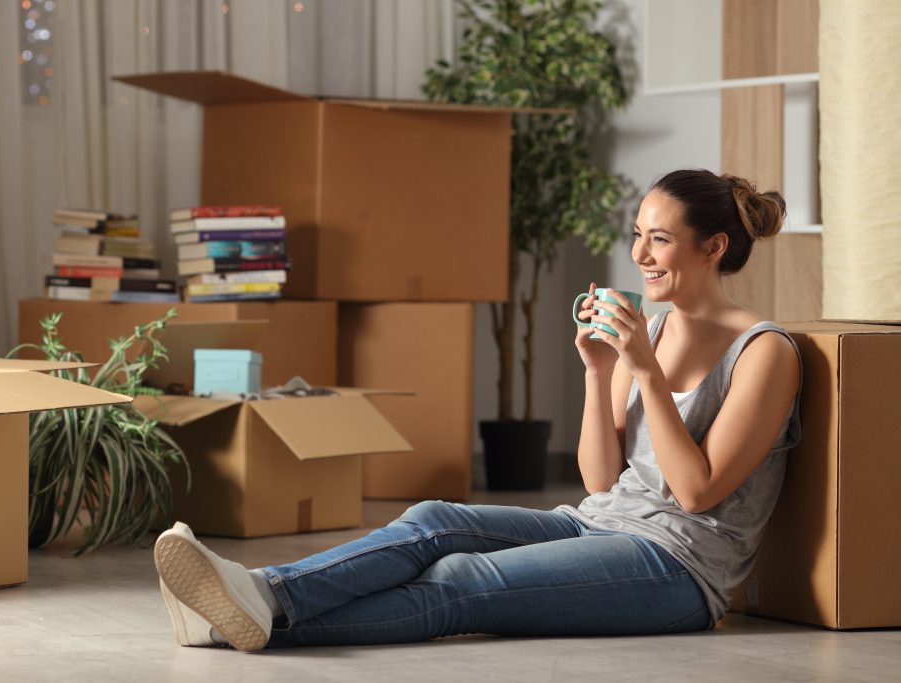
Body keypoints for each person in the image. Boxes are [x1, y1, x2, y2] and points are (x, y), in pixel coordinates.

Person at [152, 168, 803, 652]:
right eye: (637, 235)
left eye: (658, 239)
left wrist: (644, 372)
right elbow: (601, 481)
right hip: (600, 522)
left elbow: (694, 491)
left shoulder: (764, 352)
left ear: (714, 247)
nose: (638, 256)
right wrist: (597, 371)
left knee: (460, 580)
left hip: (679, 570)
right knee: (435, 521)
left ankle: (229, 620)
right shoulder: (655, 331)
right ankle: (259, 593)